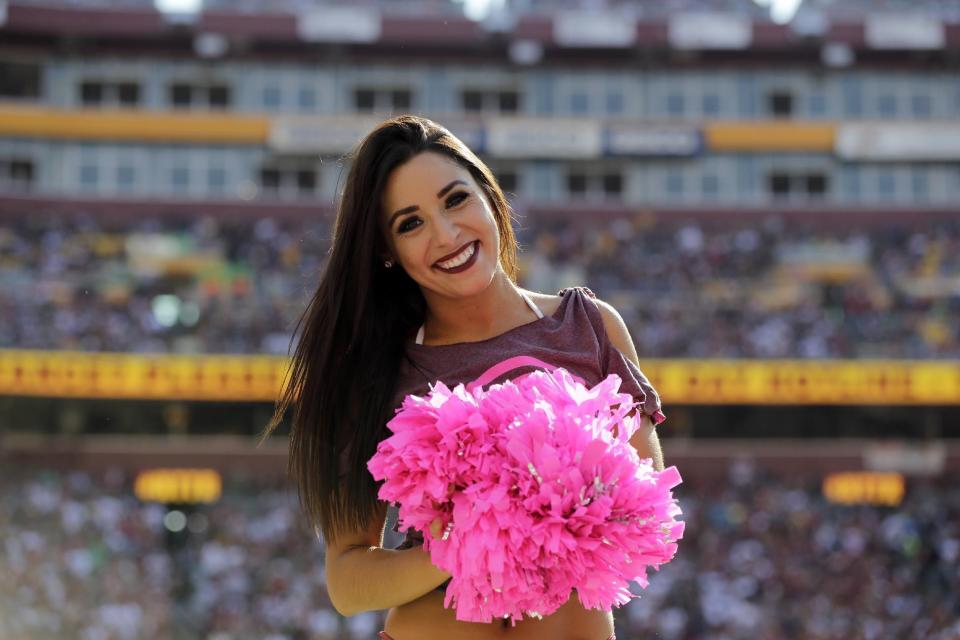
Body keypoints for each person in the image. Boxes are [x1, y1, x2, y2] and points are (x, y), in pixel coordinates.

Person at [262, 115, 667, 640]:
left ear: (488, 194)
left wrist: (549, 496)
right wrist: (470, 544)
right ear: (387, 252)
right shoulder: (375, 370)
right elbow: (348, 581)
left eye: (455, 200)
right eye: (411, 224)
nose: (447, 235)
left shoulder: (589, 327)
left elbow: (646, 510)